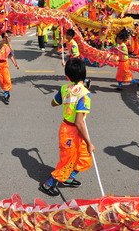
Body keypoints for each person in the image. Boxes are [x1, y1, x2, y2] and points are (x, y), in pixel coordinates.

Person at [39, 58, 95, 196]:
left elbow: (53, 103)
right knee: (67, 161)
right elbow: (79, 122)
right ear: (85, 74)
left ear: (67, 76)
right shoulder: (85, 94)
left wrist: (68, 100)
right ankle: (48, 184)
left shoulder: (65, 88)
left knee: (84, 157)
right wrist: (89, 142)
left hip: (75, 129)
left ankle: (69, 178)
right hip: (71, 131)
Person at [0, 30, 19, 105]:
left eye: (10, 36)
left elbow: (11, 56)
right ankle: (6, 91)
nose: (10, 38)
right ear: (4, 37)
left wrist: (15, 64)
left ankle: (6, 94)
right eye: (8, 36)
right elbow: (0, 46)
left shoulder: (10, 46)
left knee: (7, 79)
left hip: (4, 64)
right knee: (1, 81)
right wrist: (4, 40)